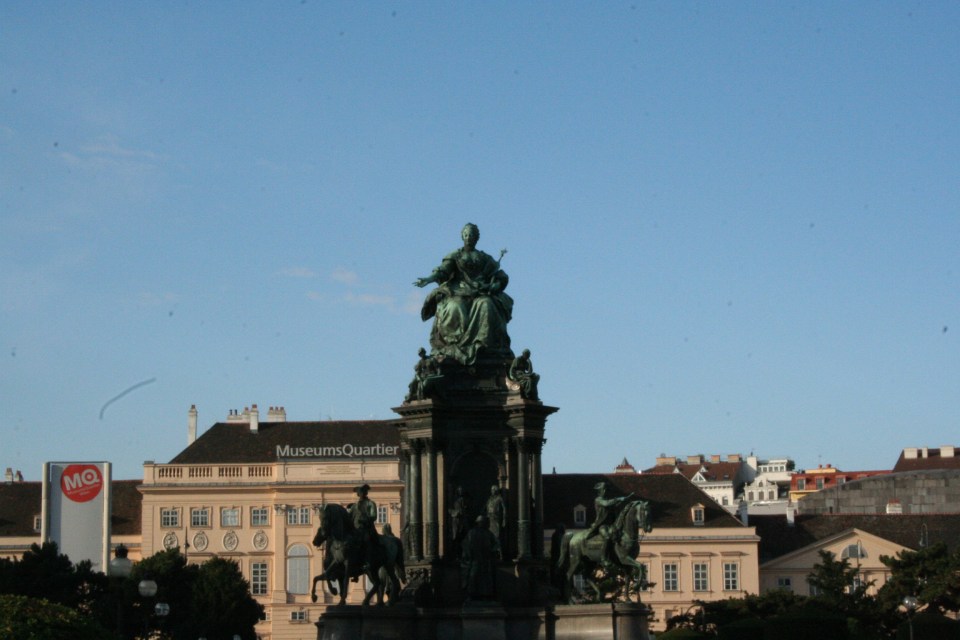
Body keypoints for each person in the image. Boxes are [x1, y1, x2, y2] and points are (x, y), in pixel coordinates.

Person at [413, 223, 514, 365]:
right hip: (457, 291)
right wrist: (429, 279)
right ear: (462, 236)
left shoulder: (485, 258)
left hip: (480, 293)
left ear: (476, 238)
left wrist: (494, 285)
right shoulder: (455, 256)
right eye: (466, 234)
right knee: (454, 306)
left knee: (487, 304)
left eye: (471, 235)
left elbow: (499, 276)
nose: (468, 237)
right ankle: (455, 344)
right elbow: (442, 271)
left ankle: (482, 344)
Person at [585, 482, 632, 572]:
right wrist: (618, 499)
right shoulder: (598, 500)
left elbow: (613, 506)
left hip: (610, 525)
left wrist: (623, 501)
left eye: (606, 489)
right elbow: (606, 504)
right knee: (607, 537)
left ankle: (617, 556)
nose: (605, 491)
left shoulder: (608, 500)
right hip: (601, 525)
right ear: (600, 491)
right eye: (604, 489)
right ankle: (604, 558)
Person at [461, 515, 500, 601]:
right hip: (475, 559)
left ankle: (485, 595)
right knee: (474, 577)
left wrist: (491, 551)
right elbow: (466, 545)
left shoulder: (488, 533)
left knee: (484, 578)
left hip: (484, 560)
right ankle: (472, 595)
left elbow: (496, 544)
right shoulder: (472, 533)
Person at [348, 484, 379, 577]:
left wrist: (365, 520)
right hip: (355, 530)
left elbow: (374, 516)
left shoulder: (371, 503)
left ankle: (367, 562)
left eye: (362, 492)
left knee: (366, 540)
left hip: (367, 529)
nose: (361, 494)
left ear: (365, 493)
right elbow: (349, 517)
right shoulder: (354, 506)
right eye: (359, 493)